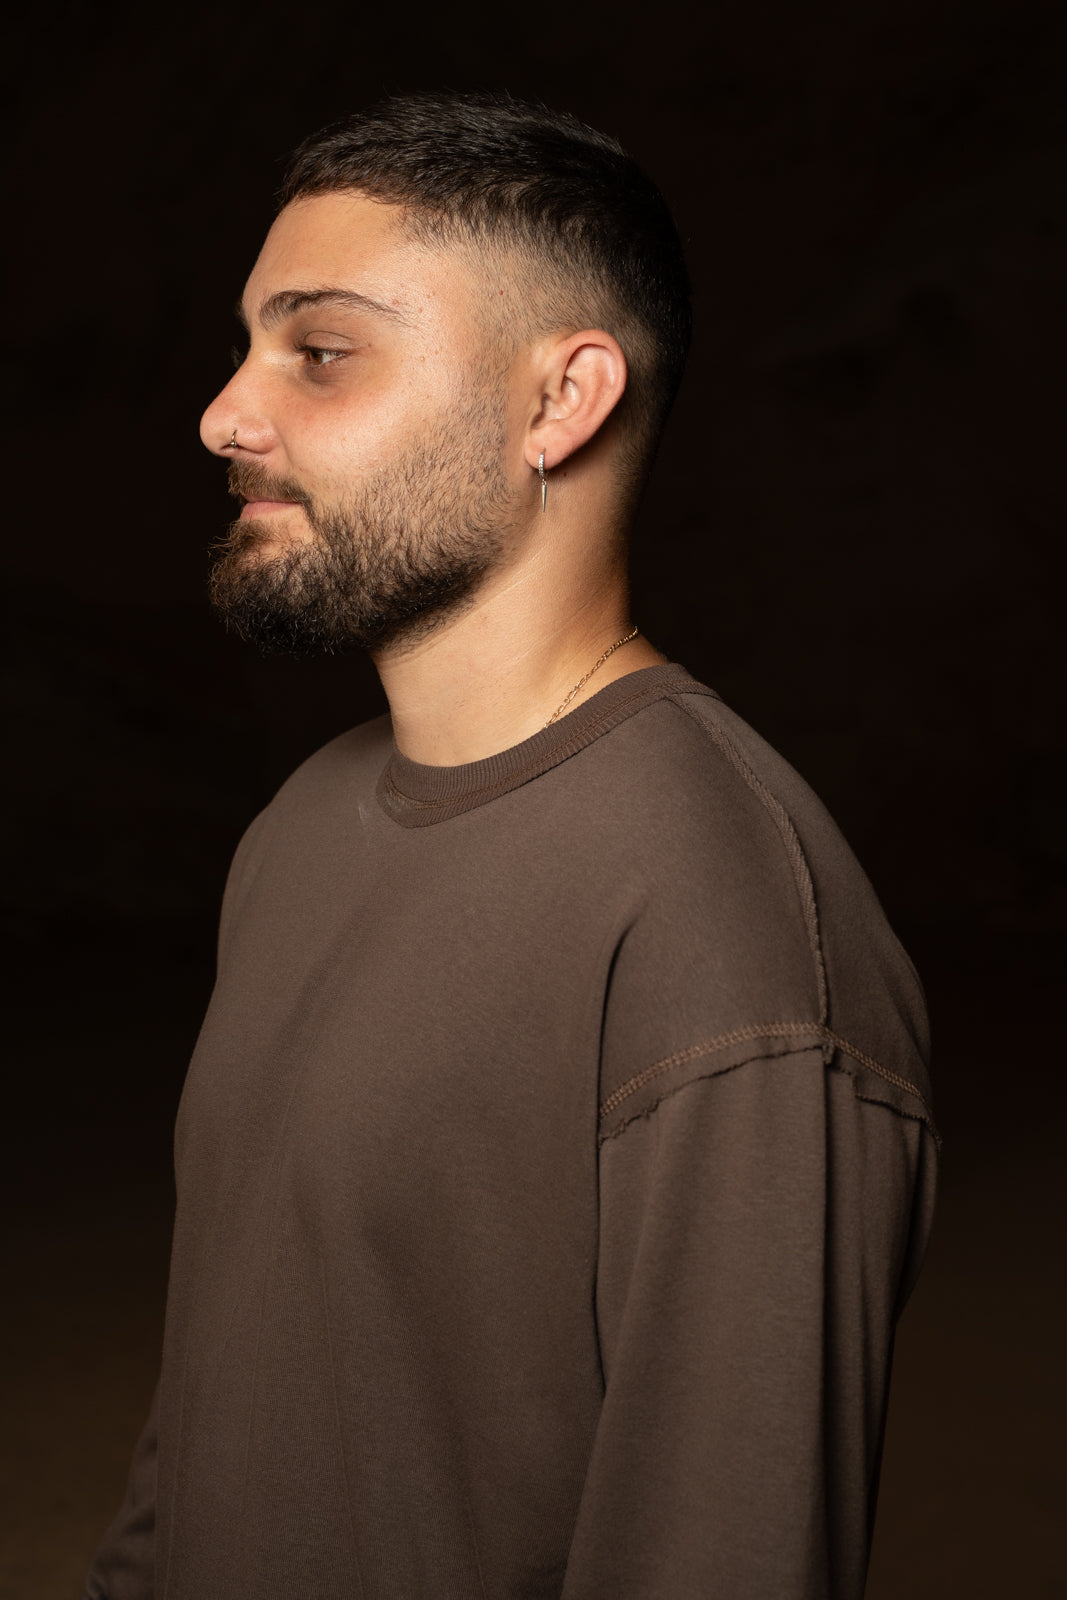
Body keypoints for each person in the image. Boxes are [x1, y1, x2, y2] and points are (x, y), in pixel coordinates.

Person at [82, 91, 938, 1600]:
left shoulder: (727, 923)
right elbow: (218, 1408)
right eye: (246, 346)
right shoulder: (298, 831)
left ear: (563, 401)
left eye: (319, 350)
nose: (224, 414)